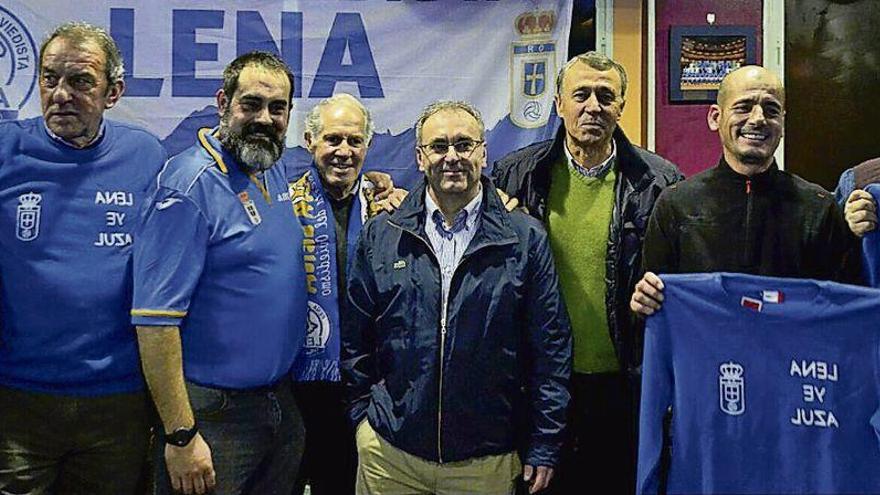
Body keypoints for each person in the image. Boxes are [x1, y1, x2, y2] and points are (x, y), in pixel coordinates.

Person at [343, 100, 572, 495]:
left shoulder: (524, 238)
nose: (452, 157)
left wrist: (545, 443)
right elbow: (354, 338)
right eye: (439, 146)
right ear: (420, 157)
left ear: (483, 152)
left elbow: (551, 350)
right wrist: (364, 420)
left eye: (464, 145)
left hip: (486, 462)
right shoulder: (382, 235)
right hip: (391, 457)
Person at [492, 51, 683, 493]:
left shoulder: (662, 182)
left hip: (624, 386)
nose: (593, 106)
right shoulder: (513, 175)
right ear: (559, 103)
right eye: (581, 95)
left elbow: (680, 275)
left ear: (621, 106)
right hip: (537, 386)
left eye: (605, 96)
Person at [0, 22, 166, 494]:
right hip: (17, 399)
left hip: (117, 403)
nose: (60, 95)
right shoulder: (5, 149)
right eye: (50, 78)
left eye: (80, 82)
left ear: (113, 92)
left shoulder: (146, 155)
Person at [131, 51, 307, 495]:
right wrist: (181, 435)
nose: (265, 118)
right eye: (251, 104)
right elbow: (154, 322)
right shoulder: (188, 186)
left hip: (278, 404)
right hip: (212, 416)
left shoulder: (271, 165)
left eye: (278, 108)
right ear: (222, 102)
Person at [630, 65, 859, 317]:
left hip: (790, 356)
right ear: (715, 117)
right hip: (704, 356)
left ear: (782, 123)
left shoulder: (819, 208)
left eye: (771, 110)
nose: (758, 118)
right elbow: (650, 304)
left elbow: (841, 311)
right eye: (744, 107)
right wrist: (644, 304)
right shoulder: (675, 205)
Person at [289, 93, 405, 495]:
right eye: (333, 139)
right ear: (310, 141)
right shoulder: (283, 207)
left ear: (368, 146)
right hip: (297, 381)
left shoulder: (389, 210)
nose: (344, 151)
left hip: (366, 379)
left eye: (354, 141)